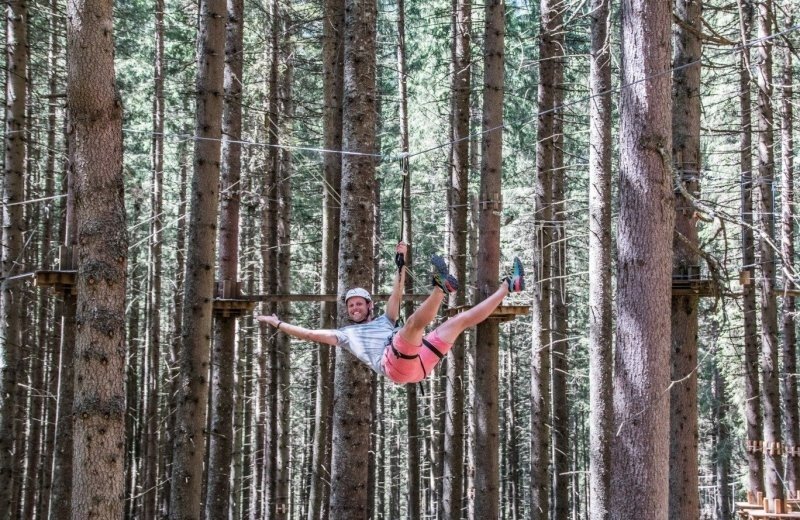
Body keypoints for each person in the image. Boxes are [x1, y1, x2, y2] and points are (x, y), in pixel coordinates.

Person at [254, 242, 525, 384]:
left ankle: (507, 286)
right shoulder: (346, 335)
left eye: (359, 304)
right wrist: (279, 324)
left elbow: (396, 292)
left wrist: (401, 262)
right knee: (412, 326)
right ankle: (440, 290)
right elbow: (310, 334)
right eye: (351, 306)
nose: (355, 308)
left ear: (369, 306)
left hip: (419, 363)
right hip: (395, 365)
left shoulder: (385, 319)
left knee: (459, 321)